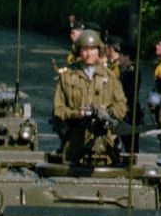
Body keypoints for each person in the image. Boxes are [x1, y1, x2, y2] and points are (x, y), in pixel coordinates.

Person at [52, 29, 128, 167]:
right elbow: (58, 109)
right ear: (78, 51)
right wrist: (77, 114)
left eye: (92, 49)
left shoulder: (110, 77)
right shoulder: (68, 77)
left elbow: (121, 106)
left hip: (105, 144)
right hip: (75, 141)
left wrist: (108, 112)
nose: (89, 53)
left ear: (99, 50)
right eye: (85, 49)